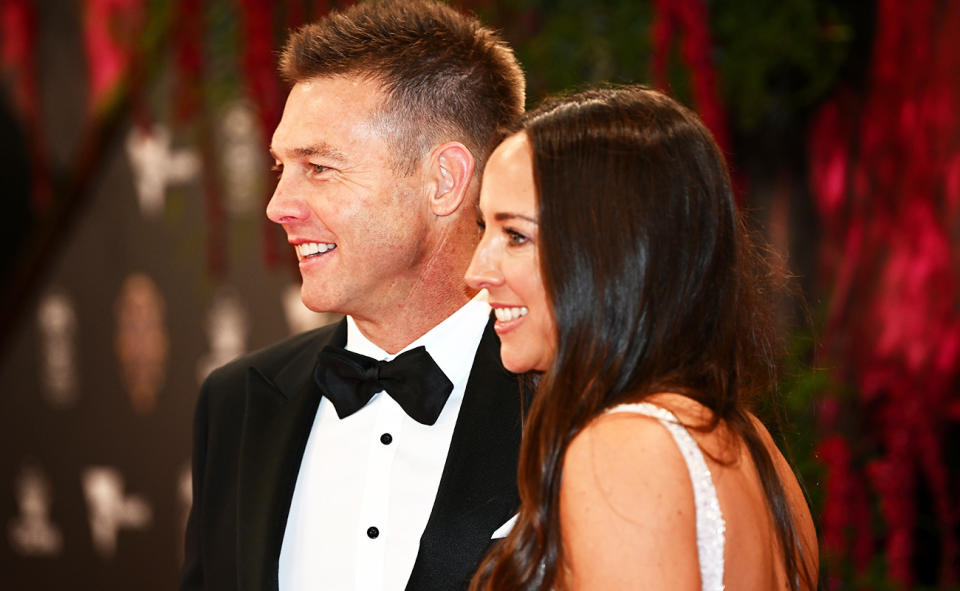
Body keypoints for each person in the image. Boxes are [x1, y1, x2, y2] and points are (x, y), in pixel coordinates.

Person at [180, 2, 526, 589]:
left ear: (444, 181)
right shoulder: (236, 403)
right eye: (280, 168)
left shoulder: (570, 400)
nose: (277, 206)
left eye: (318, 167)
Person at [465, 86, 819, 590]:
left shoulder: (622, 448)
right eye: (483, 229)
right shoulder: (751, 446)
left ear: (610, 254)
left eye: (515, 236)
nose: (477, 271)